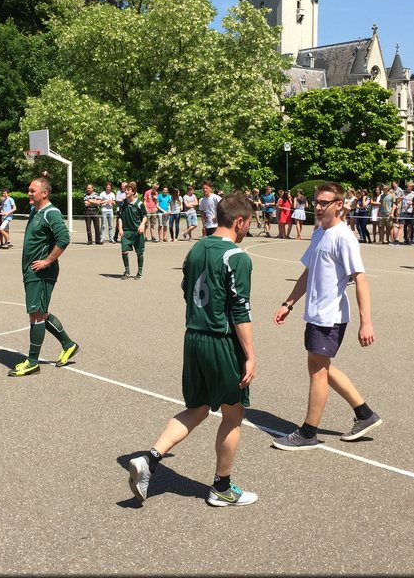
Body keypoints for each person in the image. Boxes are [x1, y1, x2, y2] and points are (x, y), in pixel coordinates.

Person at [127, 192, 258, 506]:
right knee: (233, 413)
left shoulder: (196, 248)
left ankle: (150, 459)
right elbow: (240, 309)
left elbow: (187, 289)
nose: (247, 229)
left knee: (197, 408)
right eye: (248, 224)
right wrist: (250, 355)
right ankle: (222, 488)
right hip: (221, 341)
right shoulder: (237, 257)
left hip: (194, 339)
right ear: (239, 221)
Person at [270, 182, 382, 450]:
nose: (318, 208)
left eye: (324, 203)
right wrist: (288, 303)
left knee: (318, 371)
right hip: (316, 313)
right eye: (317, 202)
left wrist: (366, 323)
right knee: (321, 367)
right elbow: (309, 271)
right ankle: (365, 414)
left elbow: (361, 279)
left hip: (330, 316)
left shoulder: (344, 237)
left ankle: (308, 433)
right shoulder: (320, 232)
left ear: (339, 205)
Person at [7, 176, 79, 377]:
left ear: (45, 193)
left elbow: (64, 238)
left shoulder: (51, 213)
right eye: (29, 190)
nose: (28, 193)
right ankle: (68, 344)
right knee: (40, 312)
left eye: (33, 191)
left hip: (42, 272)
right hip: (31, 270)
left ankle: (32, 362)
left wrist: (47, 261)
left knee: (36, 314)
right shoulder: (35, 210)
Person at [119, 180, 148, 279]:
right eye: (125, 190)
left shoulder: (139, 204)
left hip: (137, 231)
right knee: (124, 251)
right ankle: (127, 272)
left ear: (133, 192)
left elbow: (145, 216)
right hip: (126, 231)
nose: (126, 191)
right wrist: (120, 228)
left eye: (128, 190)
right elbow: (119, 217)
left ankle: (139, 273)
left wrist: (142, 225)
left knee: (139, 252)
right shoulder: (122, 204)